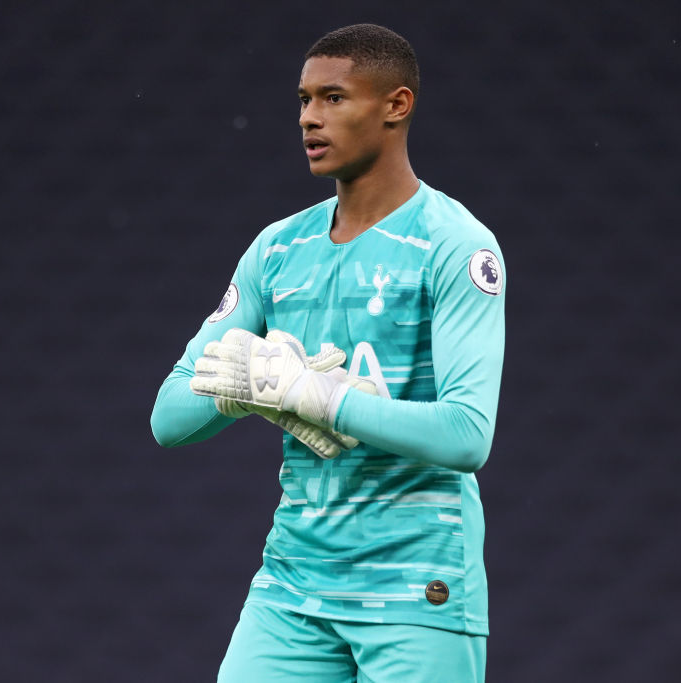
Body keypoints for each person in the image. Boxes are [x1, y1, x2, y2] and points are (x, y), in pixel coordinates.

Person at [151, 23, 504, 683]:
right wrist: (243, 385)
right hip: (292, 588)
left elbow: (466, 434)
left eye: (334, 98)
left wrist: (314, 396)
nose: (309, 118)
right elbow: (168, 419)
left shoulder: (456, 245)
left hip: (415, 587)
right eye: (304, 100)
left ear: (396, 105)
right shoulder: (277, 249)